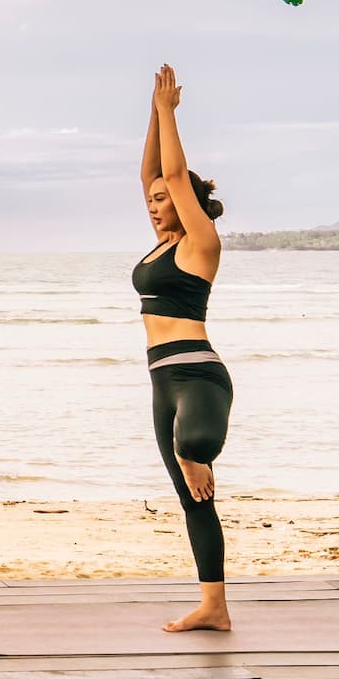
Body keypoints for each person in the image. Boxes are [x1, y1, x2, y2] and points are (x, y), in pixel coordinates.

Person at [136, 64, 234, 633]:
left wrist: (172, 114)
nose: (154, 203)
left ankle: (196, 452)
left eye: (164, 199)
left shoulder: (200, 243)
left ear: (186, 203)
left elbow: (171, 172)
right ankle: (214, 605)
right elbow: (153, 169)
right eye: (149, 200)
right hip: (160, 380)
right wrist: (153, 109)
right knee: (192, 497)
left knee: (193, 448)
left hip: (198, 374)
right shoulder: (159, 245)